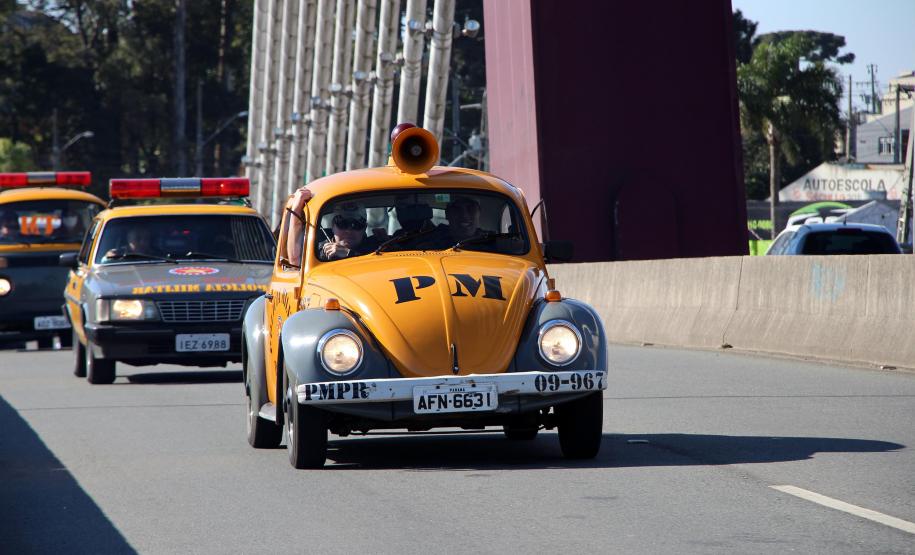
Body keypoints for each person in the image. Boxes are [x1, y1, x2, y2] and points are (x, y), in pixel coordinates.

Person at [317, 202, 383, 261]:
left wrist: (349, 253)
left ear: (364, 228)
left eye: (356, 225)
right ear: (333, 226)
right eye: (342, 224)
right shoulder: (316, 253)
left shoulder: (378, 249)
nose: (349, 231)